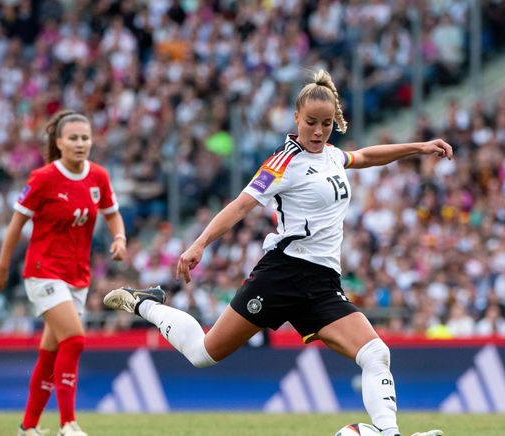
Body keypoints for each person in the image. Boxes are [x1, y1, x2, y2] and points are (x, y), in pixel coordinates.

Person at [104, 70, 451, 436]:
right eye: (312, 123)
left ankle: (388, 433)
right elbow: (241, 205)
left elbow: (363, 156)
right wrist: (200, 243)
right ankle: (146, 303)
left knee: (376, 353)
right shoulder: (281, 163)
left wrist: (418, 147)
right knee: (204, 353)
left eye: (327, 124)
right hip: (282, 276)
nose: (318, 131)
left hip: (321, 283)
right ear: (296, 118)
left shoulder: (332, 155)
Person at [0, 110, 127, 436]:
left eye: (86, 138)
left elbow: (113, 215)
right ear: (60, 142)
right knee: (76, 340)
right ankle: (68, 423)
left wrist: (119, 238)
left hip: (77, 275)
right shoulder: (43, 178)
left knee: (51, 353)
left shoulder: (98, 177)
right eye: (74, 138)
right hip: (43, 271)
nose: (81, 144)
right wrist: (3, 266)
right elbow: (16, 224)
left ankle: (28, 427)